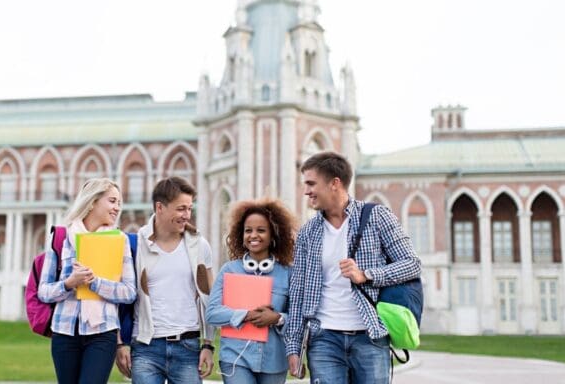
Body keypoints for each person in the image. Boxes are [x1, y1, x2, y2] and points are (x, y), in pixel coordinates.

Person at [285, 152, 421, 384]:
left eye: (311, 183)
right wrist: (293, 347)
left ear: (334, 183)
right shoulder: (308, 232)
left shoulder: (376, 216)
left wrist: (366, 275)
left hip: (370, 336)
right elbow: (297, 293)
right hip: (323, 339)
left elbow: (412, 264)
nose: (306, 191)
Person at [115, 176, 215, 384]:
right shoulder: (135, 244)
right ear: (159, 207)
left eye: (189, 209)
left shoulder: (200, 245)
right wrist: (120, 343)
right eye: (180, 209)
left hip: (188, 347)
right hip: (145, 348)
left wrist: (208, 344)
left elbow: (209, 297)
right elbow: (120, 297)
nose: (186, 215)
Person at [38, 178, 137, 384]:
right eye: (112, 201)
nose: (117, 207)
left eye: (119, 202)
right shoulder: (61, 238)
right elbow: (44, 292)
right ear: (92, 202)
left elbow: (129, 292)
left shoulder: (120, 240)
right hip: (64, 332)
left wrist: (94, 283)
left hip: (102, 333)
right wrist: (69, 283)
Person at [206, 198, 298, 384]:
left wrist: (278, 318)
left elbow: (298, 317)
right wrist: (246, 315)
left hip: (274, 360)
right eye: (248, 230)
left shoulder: (288, 273)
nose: (253, 235)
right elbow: (212, 313)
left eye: (261, 230)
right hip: (235, 357)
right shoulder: (229, 270)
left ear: (273, 235)